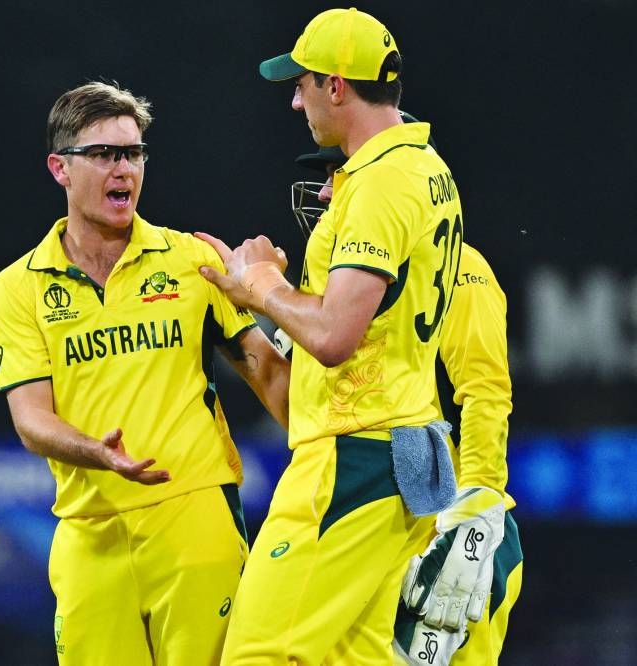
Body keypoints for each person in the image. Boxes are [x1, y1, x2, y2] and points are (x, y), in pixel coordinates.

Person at [196, 8, 503, 663]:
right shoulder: (425, 166)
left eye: (302, 83)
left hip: (351, 461)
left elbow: (335, 336)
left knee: (257, 654)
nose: (295, 100)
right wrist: (260, 301)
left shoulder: (378, 182)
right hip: (401, 452)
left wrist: (263, 285)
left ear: (336, 86)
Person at [0, 81, 290, 665]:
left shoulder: (192, 260)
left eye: (133, 153)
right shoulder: (18, 287)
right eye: (103, 154)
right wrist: (97, 454)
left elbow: (268, 373)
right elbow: (30, 420)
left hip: (194, 515)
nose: (123, 168)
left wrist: (330, 454)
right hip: (88, 530)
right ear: (60, 168)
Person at [290, 121, 523, 665]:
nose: (326, 192)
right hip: (387, 518)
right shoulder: (348, 286)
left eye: (341, 174)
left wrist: (477, 508)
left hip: (447, 535)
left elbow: (484, 390)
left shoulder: (459, 267)